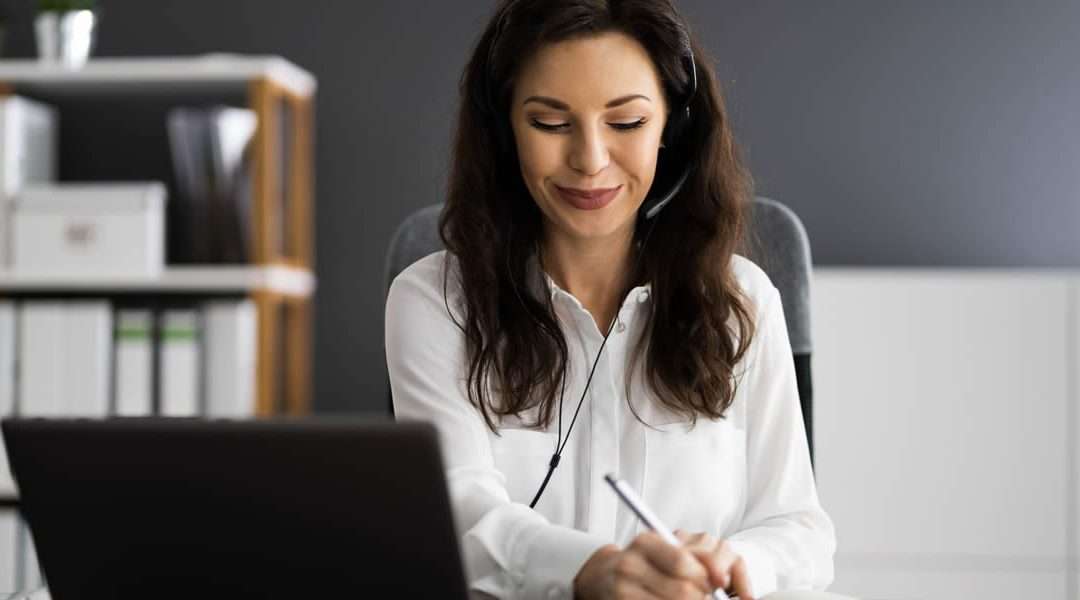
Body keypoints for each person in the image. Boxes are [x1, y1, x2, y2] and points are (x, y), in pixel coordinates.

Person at [385, 1, 836, 598]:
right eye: (549, 124)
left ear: (671, 129)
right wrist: (590, 568)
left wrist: (732, 565)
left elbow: (799, 529)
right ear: (504, 131)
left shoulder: (743, 299)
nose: (590, 161)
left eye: (626, 124)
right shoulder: (434, 301)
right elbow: (457, 514)